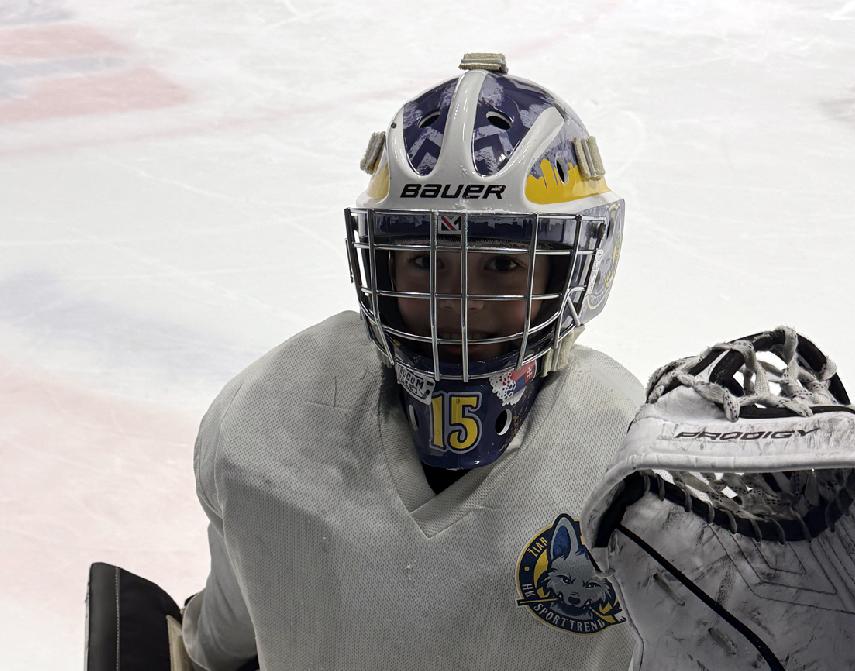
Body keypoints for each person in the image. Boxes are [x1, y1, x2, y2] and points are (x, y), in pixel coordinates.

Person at [175, 52, 645, 670]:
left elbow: (213, 649)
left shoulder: (634, 467)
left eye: (503, 264)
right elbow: (221, 638)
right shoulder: (266, 423)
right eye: (425, 261)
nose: (458, 306)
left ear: (573, 274)